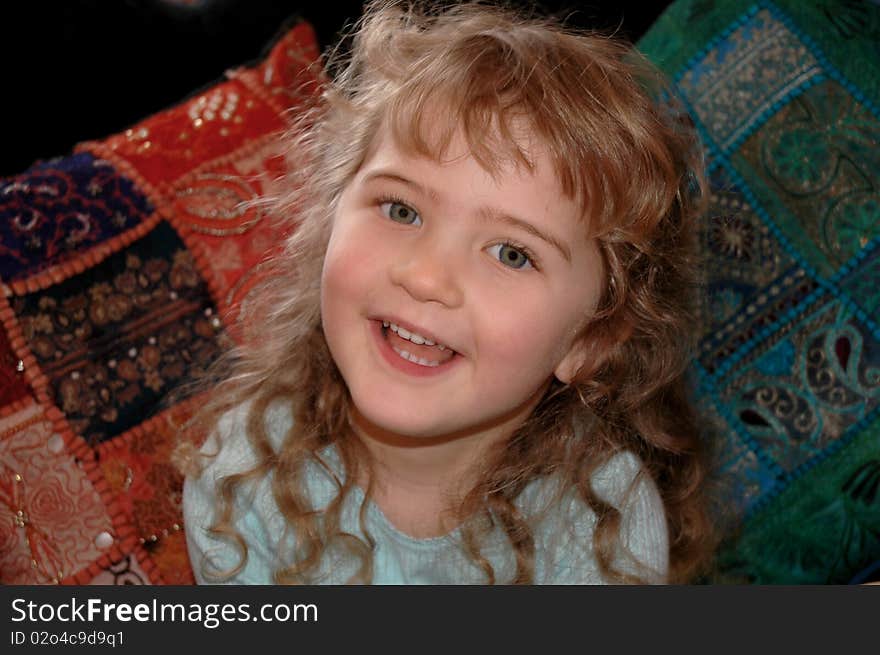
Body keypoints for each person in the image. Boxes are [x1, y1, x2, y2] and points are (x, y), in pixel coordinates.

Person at [179, 0, 716, 585]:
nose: (426, 276)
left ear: (589, 339)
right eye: (401, 209)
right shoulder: (242, 480)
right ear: (331, 216)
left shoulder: (603, 521)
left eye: (512, 253)